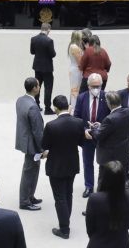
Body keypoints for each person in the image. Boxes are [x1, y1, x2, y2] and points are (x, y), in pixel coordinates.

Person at [41, 95, 86, 239]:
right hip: (72, 163)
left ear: (55, 108)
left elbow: (45, 145)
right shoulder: (79, 122)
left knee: (60, 197)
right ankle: (66, 220)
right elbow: (82, 142)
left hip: (56, 166)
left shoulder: (51, 126)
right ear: (68, 106)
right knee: (68, 194)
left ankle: (64, 229)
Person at [84, 161, 129, 248]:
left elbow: (90, 229)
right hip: (122, 243)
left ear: (104, 178)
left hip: (98, 243)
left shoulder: (94, 199)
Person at [74, 73, 109, 198]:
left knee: (103, 163)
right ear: (88, 86)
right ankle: (89, 186)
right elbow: (76, 117)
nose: (96, 89)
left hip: (103, 136)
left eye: (98, 86)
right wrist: (83, 130)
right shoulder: (81, 97)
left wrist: (102, 126)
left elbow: (112, 116)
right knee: (87, 162)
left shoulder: (107, 97)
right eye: (93, 86)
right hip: (87, 136)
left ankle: (102, 186)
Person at [86, 91, 129, 182]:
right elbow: (114, 127)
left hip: (109, 155)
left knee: (103, 179)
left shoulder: (109, 119)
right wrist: (102, 125)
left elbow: (98, 136)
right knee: (119, 178)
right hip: (123, 151)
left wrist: (93, 128)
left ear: (109, 103)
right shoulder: (127, 112)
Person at [15, 77, 44, 210]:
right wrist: (42, 149)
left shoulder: (20, 100)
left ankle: (30, 196)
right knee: (29, 172)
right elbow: (37, 131)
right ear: (34, 88)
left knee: (33, 170)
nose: (39, 87)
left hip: (24, 140)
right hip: (32, 144)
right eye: (38, 85)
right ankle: (24, 201)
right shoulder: (32, 107)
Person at [30, 23, 56, 115]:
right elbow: (53, 54)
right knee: (48, 88)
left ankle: (36, 105)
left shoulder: (33, 39)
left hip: (37, 67)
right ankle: (47, 108)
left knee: (37, 86)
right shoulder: (49, 41)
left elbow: (32, 52)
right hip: (47, 68)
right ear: (48, 29)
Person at [68, 30, 85, 101]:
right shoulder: (74, 47)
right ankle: (74, 106)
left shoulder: (73, 45)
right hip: (76, 70)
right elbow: (80, 61)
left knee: (75, 88)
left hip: (75, 69)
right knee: (75, 89)